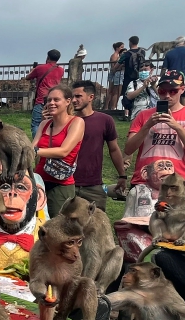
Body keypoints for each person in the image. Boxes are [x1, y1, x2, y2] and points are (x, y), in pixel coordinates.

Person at [125, 70, 185, 186]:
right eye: (162, 91)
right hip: (144, 181)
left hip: (176, 182)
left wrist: (177, 127)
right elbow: (128, 149)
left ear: (182, 89)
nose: (167, 95)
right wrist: (147, 126)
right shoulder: (144, 115)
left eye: (173, 91)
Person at [71, 81, 127, 209]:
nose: (74, 100)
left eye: (78, 96)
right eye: (72, 96)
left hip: (93, 185)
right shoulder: (67, 120)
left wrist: (122, 175)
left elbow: (113, 149)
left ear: (91, 97)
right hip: (67, 184)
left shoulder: (105, 120)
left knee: (96, 226)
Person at [32, 85, 84, 218]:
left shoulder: (77, 122)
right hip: (39, 181)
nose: (51, 103)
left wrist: (36, 151)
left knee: (58, 227)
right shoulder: (45, 124)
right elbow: (31, 148)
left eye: (56, 100)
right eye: (49, 100)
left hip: (61, 184)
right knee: (37, 223)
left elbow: (64, 151)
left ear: (68, 101)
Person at [27, 50, 64, 136]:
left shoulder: (40, 68)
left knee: (36, 124)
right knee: (52, 123)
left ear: (48, 57)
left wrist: (32, 71)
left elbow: (28, 77)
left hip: (41, 99)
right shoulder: (61, 70)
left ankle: (37, 144)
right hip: (55, 99)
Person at [163, 37, 185, 105]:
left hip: (172, 78)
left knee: (172, 96)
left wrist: (162, 78)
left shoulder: (169, 53)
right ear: (184, 42)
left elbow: (164, 68)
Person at [118, 37, 145, 118]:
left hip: (128, 76)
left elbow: (118, 64)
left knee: (126, 94)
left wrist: (114, 68)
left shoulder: (126, 54)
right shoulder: (142, 52)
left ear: (130, 43)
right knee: (139, 93)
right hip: (140, 76)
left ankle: (127, 114)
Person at [106, 41, 125, 110]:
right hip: (114, 74)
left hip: (116, 74)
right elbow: (113, 67)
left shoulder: (118, 55)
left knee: (115, 91)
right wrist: (121, 66)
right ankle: (108, 106)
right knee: (112, 91)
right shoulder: (115, 55)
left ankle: (112, 106)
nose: (122, 48)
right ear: (117, 48)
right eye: (121, 47)